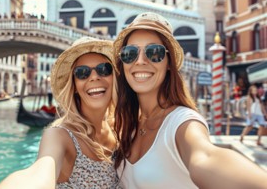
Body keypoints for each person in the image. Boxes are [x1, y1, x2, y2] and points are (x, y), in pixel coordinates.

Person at [112, 12, 267, 188]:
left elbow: (206, 157)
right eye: (130, 53)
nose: (140, 61)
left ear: (169, 63)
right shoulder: (128, 124)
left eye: (154, 52)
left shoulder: (182, 122)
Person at [0, 37, 121, 189]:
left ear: (114, 77)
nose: (94, 77)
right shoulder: (59, 136)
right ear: (74, 85)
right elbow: (38, 174)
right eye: (82, 73)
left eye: (104, 69)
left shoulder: (121, 129)